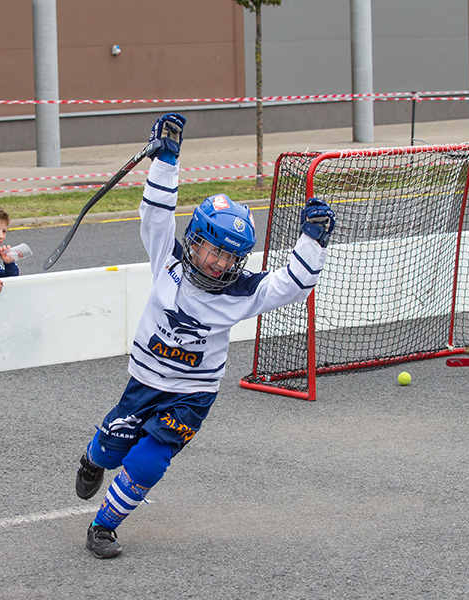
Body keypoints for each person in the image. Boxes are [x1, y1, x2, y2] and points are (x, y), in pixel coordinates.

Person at [74, 113, 336, 559]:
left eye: (229, 256)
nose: (217, 263)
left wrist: (313, 237)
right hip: (144, 385)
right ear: (194, 241)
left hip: (192, 395)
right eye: (212, 249)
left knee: (148, 461)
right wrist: (167, 157)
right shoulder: (168, 262)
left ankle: (102, 528)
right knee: (112, 449)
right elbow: (155, 214)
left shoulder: (242, 292)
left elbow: (293, 284)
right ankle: (91, 458)